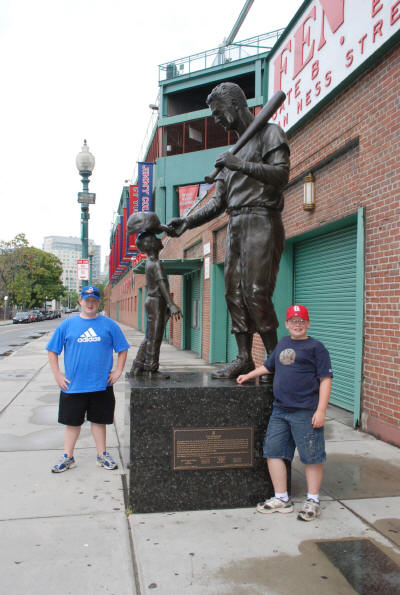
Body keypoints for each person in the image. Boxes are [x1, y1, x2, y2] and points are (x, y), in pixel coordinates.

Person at [167, 82, 290, 378]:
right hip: (235, 223)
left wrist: (240, 164)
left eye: (219, 112)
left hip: (262, 218)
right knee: (234, 294)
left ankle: (275, 360)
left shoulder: (269, 133)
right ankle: (244, 357)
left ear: (236, 105)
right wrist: (187, 222)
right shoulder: (229, 154)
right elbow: (217, 204)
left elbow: (282, 175)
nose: (216, 120)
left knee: (256, 293)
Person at [237, 304, 333, 521]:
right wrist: (248, 375)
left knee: (311, 457)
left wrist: (321, 410)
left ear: (307, 324)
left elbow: (325, 380)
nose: (298, 325)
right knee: (273, 452)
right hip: (280, 411)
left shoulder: (316, 348)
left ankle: (313, 500)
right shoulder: (283, 344)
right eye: (293, 321)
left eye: (302, 321)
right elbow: (268, 366)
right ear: (287, 324)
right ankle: (282, 498)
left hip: (306, 411)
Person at [47, 285, 130, 473]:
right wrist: (57, 374)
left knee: (99, 422)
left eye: (94, 301)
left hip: (101, 384)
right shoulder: (67, 325)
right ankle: (68, 456)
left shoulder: (109, 325)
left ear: (98, 303)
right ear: (80, 301)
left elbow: (122, 348)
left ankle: (102, 455)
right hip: (73, 385)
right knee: (72, 423)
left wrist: (118, 370)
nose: (90, 304)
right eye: (87, 300)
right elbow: (52, 351)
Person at [130, 232, 182, 375]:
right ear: (152, 245)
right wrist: (171, 304)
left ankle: (138, 365)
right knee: (154, 337)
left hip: (154, 301)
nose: (159, 239)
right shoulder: (156, 263)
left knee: (151, 336)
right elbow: (162, 284)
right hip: (156, 301)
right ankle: (150, 368)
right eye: (155, 238)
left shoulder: (149, 261)